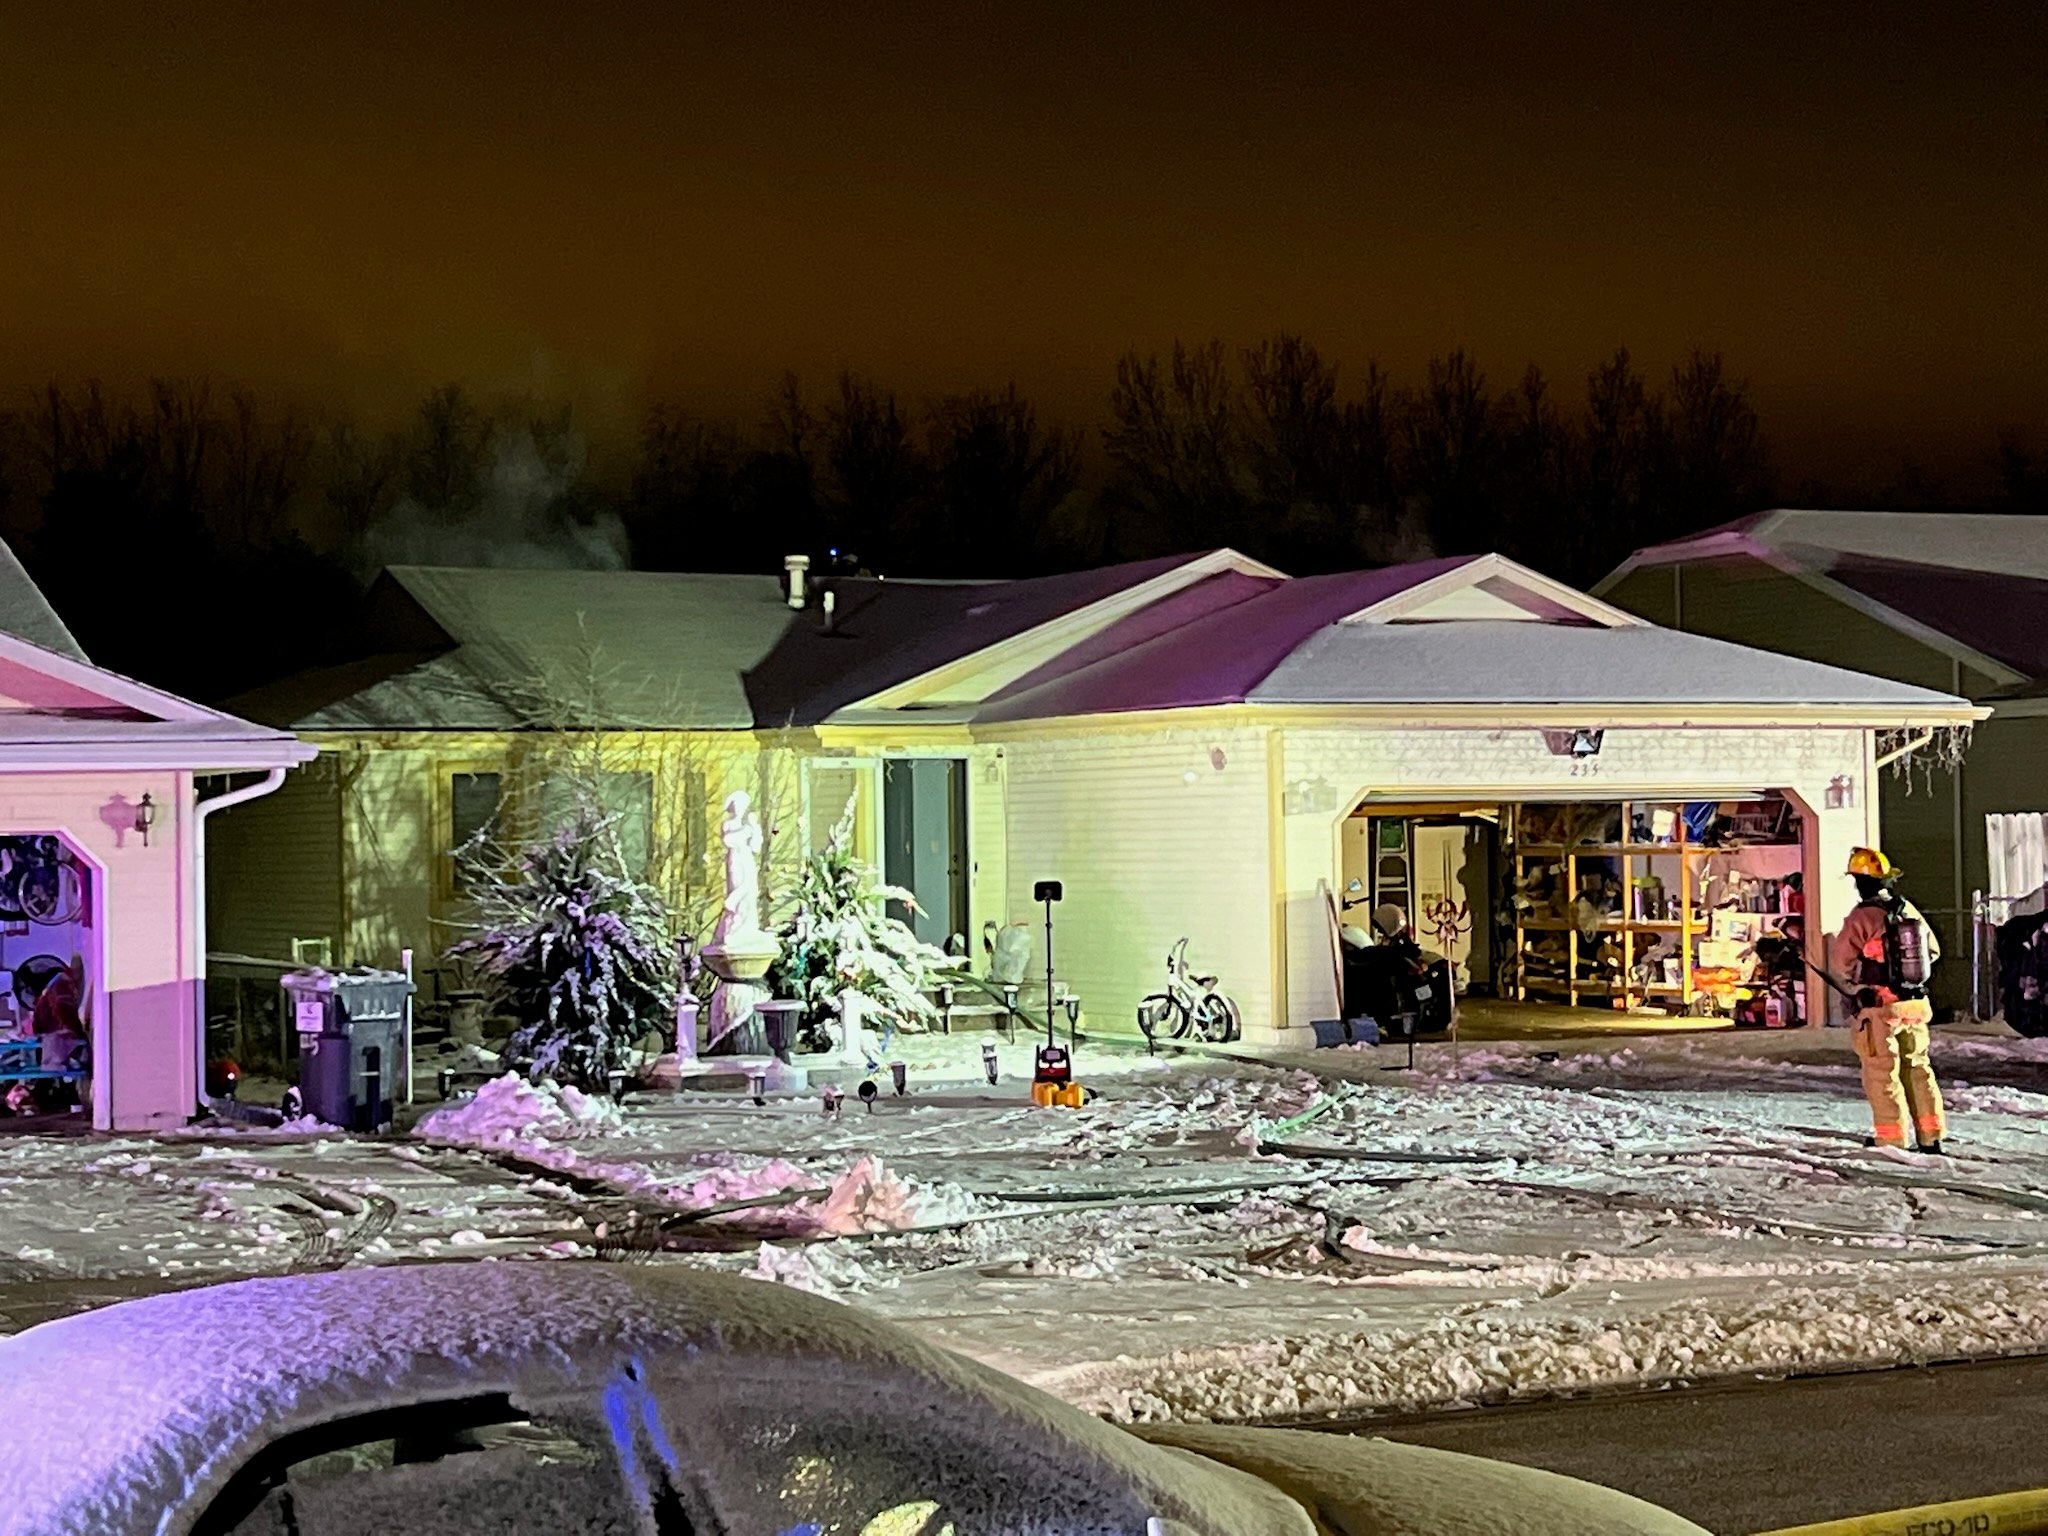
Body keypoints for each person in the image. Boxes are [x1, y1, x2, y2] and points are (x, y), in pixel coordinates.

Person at [1828, 848, 1944, 1154]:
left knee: (1882, 1073)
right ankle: (1931, 1136)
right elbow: (1932, 952)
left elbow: (1841, 963)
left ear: (1860, 883)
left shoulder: (1861, 916)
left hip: (1880, 1009)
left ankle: (1891, 1138)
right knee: (1918, 1068)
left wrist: (1862, 980)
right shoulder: (1908, 910)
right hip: (1915, 1006)